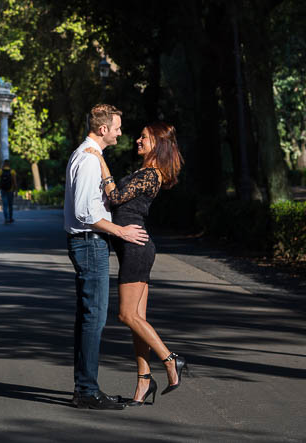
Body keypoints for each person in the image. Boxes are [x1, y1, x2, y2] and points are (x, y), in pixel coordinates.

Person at [84, 122, 188, 406]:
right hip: (136, 248)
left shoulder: (151, 174)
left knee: (127, 316)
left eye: (144, 137)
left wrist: (100, 161)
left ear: (157, 142)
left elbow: (115, 197)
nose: (138, 141)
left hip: (135, 249)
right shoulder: (146, 172)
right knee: (136, 320)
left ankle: (170, 360)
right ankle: (144, 381)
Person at [64, 104, 149, 410]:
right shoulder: (87, 159)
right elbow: (85, 213)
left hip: (89, 243)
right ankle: (86, 391)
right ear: (103, 130)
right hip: (89, 242)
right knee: (93, 318)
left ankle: (84, 388)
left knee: (89, 317)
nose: (120, 132)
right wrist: (121, 231)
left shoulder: (88, 156)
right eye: (117, 128)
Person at [0, 160, 18, 224]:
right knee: (10, 205)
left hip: (3, 190)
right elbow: (15, 182)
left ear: (4, 164)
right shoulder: (12, 171)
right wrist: (16, 190)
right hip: (10, 190)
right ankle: (10, 218)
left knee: (5, 205)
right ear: (9, 164)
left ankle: (6, 219)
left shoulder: (0, 171)